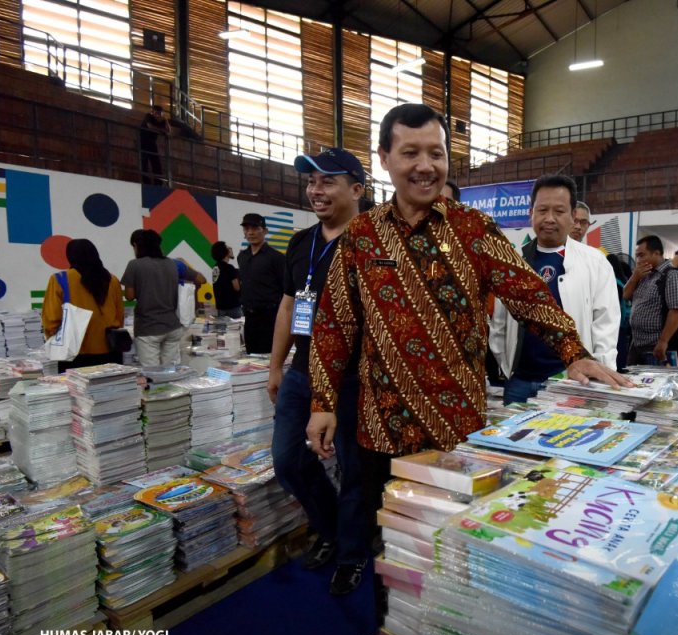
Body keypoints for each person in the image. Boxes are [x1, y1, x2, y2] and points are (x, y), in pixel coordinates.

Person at [306, 102, 630, 508]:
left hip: (456, 426)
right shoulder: (361, 234)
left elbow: (527, 293)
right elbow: (334, 324)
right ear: (384, 159)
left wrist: (573, 350)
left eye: (436, 154)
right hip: (383, 426)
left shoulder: (472, 227)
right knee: (390, 535)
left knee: (450, 544)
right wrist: (323, 402)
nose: (425, 165)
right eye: (411, 153)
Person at [268, 147, 368, 594]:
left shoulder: (374, 245)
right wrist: (276, 365)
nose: (315, 190)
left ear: (357, 189)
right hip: (303, 373)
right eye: (310, 182)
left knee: (355, 469)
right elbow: (290, 304)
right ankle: (328, 530)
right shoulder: (300, 241)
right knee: (288, 460)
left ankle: (351, 553)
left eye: (327, 181)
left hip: (353, 380)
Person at [490, 175, 620, 405]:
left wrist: (600, 376)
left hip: (571, 384)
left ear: (572, 217)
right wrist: (507, 367)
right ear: (531, 213)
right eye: (542, 210)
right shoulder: (514, 261)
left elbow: (605, 325)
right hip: (519, 383)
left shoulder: (595, 263)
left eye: (559, 212)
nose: (549, 218)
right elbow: (500, 323)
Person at [122, 230, 205, 367]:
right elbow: (201, 279)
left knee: (152, 373)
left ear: (136, 245)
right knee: (172, 371)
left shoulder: (134, 265)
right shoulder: (174, 264)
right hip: (172, 326)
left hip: (148, 328)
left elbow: (129, 296)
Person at [42, 239, 125, 373]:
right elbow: (119, 315)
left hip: (74, 350)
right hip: (110, 348)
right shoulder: (112, 279)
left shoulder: (60, 279)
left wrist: (55, 340)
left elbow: (52, 318)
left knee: (77, 391)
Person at [625, 235, 678, 364]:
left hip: (656, 346)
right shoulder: (644, 274)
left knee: (655, 383)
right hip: (638, 343)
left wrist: (663, 341)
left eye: (642, 255)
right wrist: (635, 277)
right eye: (637, 256)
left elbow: (677, 310)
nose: (638, 260)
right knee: (633, 382)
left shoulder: (673, 275)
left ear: (656, 253)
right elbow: (625, 295)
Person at [237, 213, 285, 353]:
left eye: (255, 228)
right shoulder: (242, 257)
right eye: (246, 229)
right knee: (250, 355)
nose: (250, 232)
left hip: (269, 316)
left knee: (268, 356)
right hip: (249, 316)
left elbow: (286, 288)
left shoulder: (276, 257)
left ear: (265, 231)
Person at [607, 253, 633, 371]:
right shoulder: (624, 281)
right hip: (624, 322)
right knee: (622, 349)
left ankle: (616, 370)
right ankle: (621, 369)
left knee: (614, 348)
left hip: (613, 323)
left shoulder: (612, 282)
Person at [139, 105, 171, 186]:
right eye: (156, 113)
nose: (158, 115)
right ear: (152, 112)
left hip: (152, 143)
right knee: (144, 162)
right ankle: (146, 181)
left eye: (160, 113)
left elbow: (169, 131)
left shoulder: (161, 121)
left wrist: (166, 120)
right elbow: (150, 126)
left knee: (156, 163)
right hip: (143, 141)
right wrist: (163, 132)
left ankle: (158, 182)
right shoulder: (148, 116)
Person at [210, 241, 241, 319]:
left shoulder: (215, 268)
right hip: (232, 307)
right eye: (227, 248)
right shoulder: (229, 268)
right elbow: (236, 287)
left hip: (220, 307)